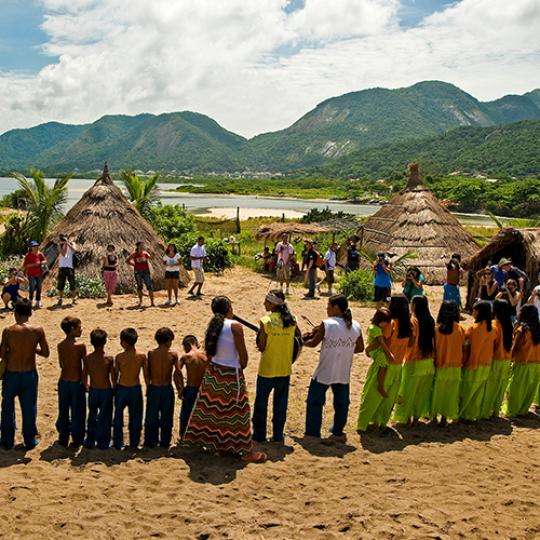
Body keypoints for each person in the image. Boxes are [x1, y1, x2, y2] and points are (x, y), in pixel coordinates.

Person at [183, 296, 267, 463]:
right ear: (229, 308)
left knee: (218, 413)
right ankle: (245, 452)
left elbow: (210, 353)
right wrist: (240, 366)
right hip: (230, 373)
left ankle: (221, 447)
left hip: (214, 373)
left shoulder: (213, 326)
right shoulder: (235, 326)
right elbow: (243, 356)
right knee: (238, 413)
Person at [304, 295, 364, 438]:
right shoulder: (355, 325)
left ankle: (313, 432)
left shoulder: (327, 324)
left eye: (328, 306)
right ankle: (337, 430)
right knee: (342, 403)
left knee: (314, 401)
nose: (327, 309)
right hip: (343, 370)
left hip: (325, 369)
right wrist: (345, 350)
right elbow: (360, 348)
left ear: (336, 307)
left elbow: (313, 343)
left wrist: (301, 341)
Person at [0, 299, 49, 450]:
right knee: (29, 408)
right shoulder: (37, 330)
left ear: (16, 313)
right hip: (29, 374)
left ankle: (7, 441)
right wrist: (32, 349)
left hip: (11, 374)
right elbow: (46, 353)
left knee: (7, 408)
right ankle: (29, 440)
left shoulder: (8, 331)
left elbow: (2, 354)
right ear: (30, 313)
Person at [252, 290, 301, 443]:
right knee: (280, 403)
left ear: (273, 303)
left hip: (267, 368)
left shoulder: (266, 321)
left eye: (266, 301)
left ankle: (259, 435)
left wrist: (260, 336)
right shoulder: (292, 320)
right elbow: (298, 339)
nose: (264, 304)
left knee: (261, 402)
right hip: (284, 368)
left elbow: (261, 346)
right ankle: (278, 434)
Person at [393, 295, 435, 426]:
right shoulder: (430, 320)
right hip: (428, 361)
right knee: (421, 392)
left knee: (407, 391)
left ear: (414, 305)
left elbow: (411, 343)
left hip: (414, 360)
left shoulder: (414, 321)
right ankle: (416, 418)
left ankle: (406, 418)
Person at [372, 295, 413, 429]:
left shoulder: (392, 324)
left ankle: (376, 422)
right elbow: (411, 343)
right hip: (399, 364)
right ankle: (384, 422)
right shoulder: (409, 324)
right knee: (390, 397)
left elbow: (381, 340)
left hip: (387, 363)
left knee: (378, 393)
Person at [356, 308, 394, 432]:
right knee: (384, 366)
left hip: (375, 351)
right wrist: (389, 353)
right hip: (376, 351)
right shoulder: (375, 329)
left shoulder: (375, 327)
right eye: (384, 322)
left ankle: (380, 385)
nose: (385, 325)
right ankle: (381, 386)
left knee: (383, 366)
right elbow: (381, 342)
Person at [144, 327, 182, 448]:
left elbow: (147, 372)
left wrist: (147, 385)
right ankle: (165, 441)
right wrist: (180, 388)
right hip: (166, 388)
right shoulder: (173, 355)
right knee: (167, 416)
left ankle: (151, 441)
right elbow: (178, 373)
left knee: (151, 416)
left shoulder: (151, 353)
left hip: (154, 387)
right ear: (168, 340)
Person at [460, 300, 496, 421]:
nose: (473, 313)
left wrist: (463, 363)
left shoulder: (472, 328)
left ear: (479, 312)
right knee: (478, 392)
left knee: (467, 391)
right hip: (486, 363)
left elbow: (466, 347)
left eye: (474, 310)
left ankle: (463, 415)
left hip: (472, 363)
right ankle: (473, 414)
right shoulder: (493, 329)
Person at [113, 328, 148, 449]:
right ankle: (134, 443)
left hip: (122, 388)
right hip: (135, 389)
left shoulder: (119, 357)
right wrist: (148, 386)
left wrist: (114, 387)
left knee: (118, 417)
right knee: (136, 417)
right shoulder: (141, 356)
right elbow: (146, 374)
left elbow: (115, 375)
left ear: (124, 342)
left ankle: (118, 443)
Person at [431, 301, 465, 425]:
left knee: (436, 392)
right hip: (455, 365)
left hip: (440, 364)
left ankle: (434, 416)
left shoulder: (436, 329)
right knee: (450, 393)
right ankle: (444, 417)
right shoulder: (460, 329)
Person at [56, 316, 87, 447]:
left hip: (63, 381)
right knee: (78, 411)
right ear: (73, 329)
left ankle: (63, 437)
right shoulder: (81, 346)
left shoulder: (60, 345)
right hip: (76, 382)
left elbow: (61, 364)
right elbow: (85, 366)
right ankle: (77, 438)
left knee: (63, 410)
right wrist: (85, 382)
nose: (81, 329)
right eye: (79, 327)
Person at [504, 304, 540, 417]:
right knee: (530, 389)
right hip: (537, 364)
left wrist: (509, 360)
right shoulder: (537, 330)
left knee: (516, 388)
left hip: (522, 362)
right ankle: (523, 410)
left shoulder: (522, 330)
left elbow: (515, 348)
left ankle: (513, 411)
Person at [83, 328, 114, 449]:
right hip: (105, 390)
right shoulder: (109, 358)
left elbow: (84, 374)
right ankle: (103, 442)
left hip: (93, 390)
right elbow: (112, 376)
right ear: (105, 341)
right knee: (105, 417)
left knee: (92, 415)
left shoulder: (87, 358)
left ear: (91, 342)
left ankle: (90, 440)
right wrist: (115, 388)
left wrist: (86, 386)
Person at [481, 299, 513, 418]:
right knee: (500, 386)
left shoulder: (494, 325)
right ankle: (495, 410)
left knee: (490, 386)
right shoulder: (509, 324)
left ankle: (486, 411)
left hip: (496, 359)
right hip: (506, 359)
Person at [178, 335, 208, 437]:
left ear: (187, 345)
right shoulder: (205, 355)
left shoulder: (186, 356)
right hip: (203, 389)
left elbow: (176, 373)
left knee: (186, 415)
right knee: (202, 415)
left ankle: (184, 437)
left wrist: (180, 389)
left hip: (191, 388)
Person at [127, 242, 155, 308]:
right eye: (141, 245)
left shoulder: (145, 253)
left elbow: (152, 258)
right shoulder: (134, 254)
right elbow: (127, 260)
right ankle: (140, 302)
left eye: (143, 245)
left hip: (146, 271)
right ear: (138, 246)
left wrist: (151, 253)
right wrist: (134, 265)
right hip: (138, 272)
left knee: (150, 286)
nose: (143, 246)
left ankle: (152, 302)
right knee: (139, 286)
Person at [22, 240, 47, 309]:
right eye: (34, 246)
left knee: (39, 287)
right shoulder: (28, 255)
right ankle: (30, 301)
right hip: (31, 274)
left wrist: (42, 262)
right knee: (32, 287)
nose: (36, 247)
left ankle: (38, 301)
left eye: (36, 246)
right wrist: (34, 264)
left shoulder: (40, 254)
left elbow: (45, 260)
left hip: (39, 273)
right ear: (31, 247)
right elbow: (25, 265)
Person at [56, 234, 78, 306]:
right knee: (61, 284)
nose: (63, 240)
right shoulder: (59, 245)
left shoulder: (72, 243)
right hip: (62, 267)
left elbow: (74, 250)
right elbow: (63, 253)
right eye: (62, 239)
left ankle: (74, 299)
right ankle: (60, 299)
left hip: (70, 266)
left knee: (72, 283)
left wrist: (67, 243)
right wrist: (64, 244)